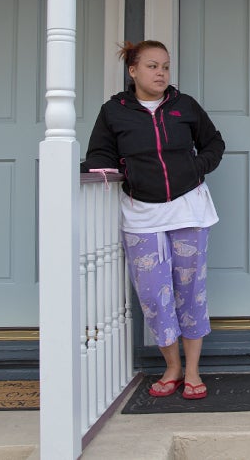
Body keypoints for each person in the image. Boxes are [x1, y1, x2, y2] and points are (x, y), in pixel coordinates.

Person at [82, 40, 225, 401]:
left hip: (188, 208)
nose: (161, 73)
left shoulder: (184, 106)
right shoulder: (114, 112)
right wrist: (107, 171)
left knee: (190, 289)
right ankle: (172, 366)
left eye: (165, 66)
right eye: (152, 66)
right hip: (141, 213)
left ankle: (191, 370)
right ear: (133, 71)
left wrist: (196, 167)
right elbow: (100, 152)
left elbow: (213, 144)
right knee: (154, 296)